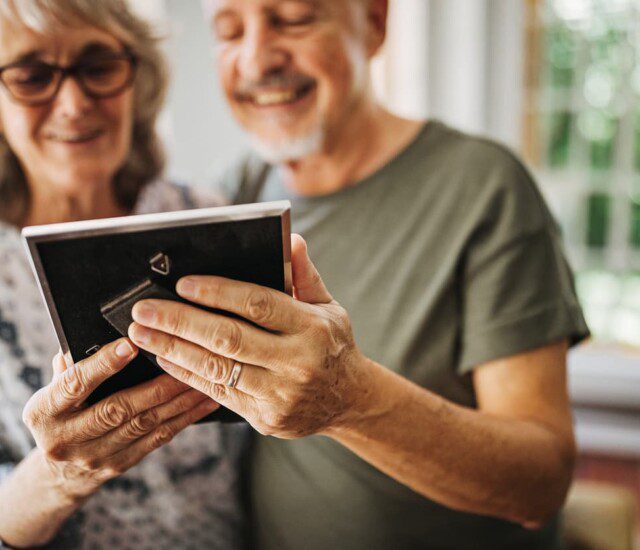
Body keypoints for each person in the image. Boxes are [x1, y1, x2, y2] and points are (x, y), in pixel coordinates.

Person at [128, 0, 589, 548]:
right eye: (229, 32)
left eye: (293, 19)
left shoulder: (486, 187)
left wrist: (349, 397)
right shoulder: (234, 192)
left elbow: (540, 483)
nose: (255, 60)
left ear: (374, 22)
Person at [0, 1, 244, 548]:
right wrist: (59, 476)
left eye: (98, 66)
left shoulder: (204, 215)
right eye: (33, 77)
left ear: (138, 76)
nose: (74, 103)